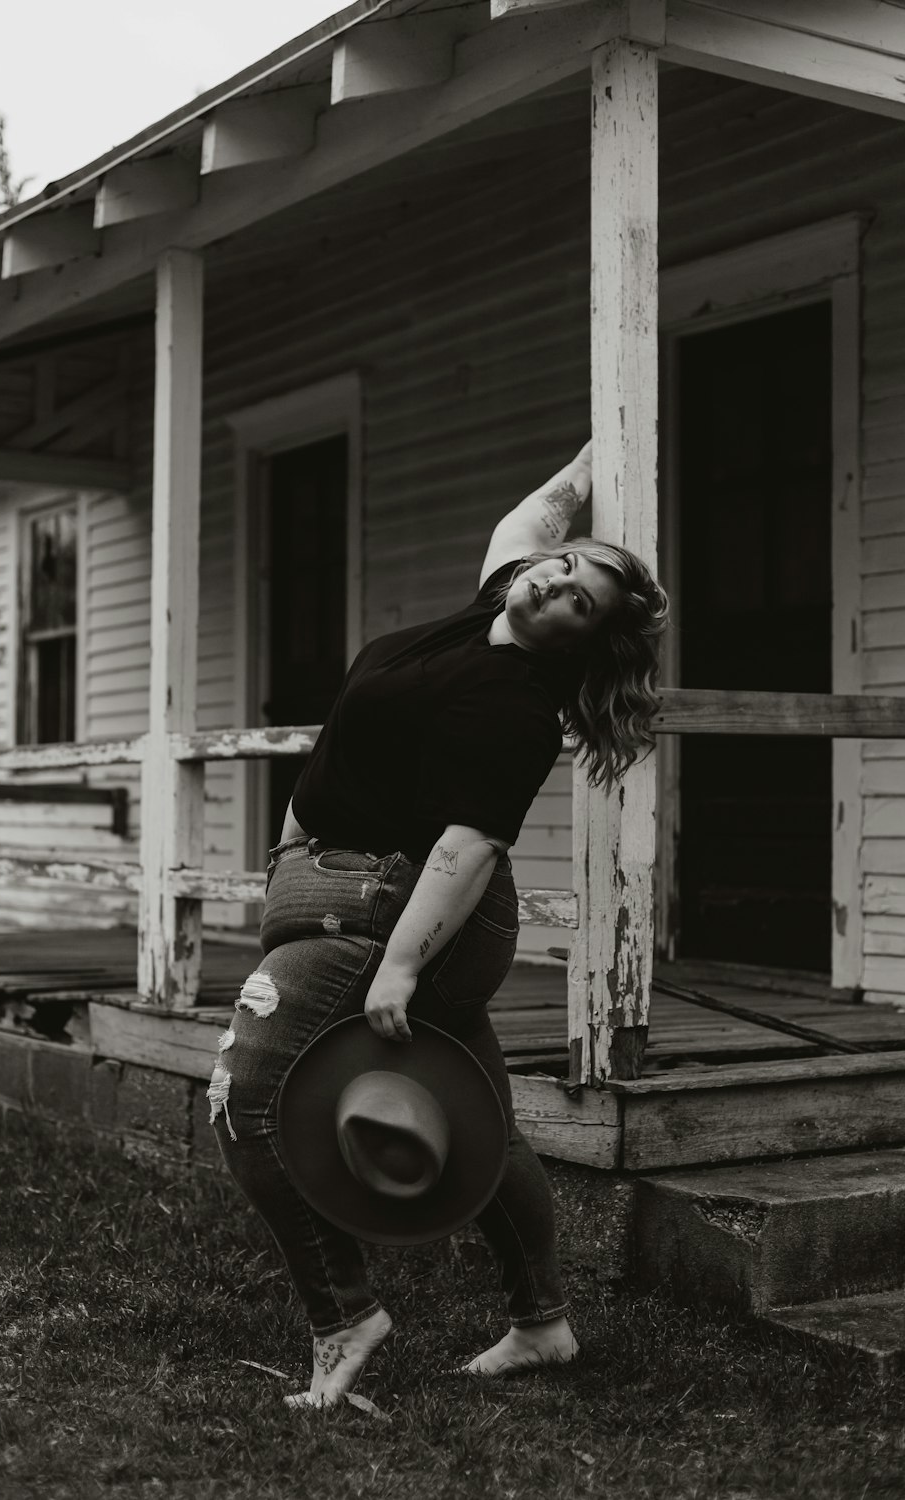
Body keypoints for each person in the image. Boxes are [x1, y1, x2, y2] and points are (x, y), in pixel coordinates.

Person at [208, 437, 669, 1407]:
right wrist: (599, 454)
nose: (552, 586)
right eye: (560, 569)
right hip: (335, 885)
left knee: (245, 1096)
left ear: (581, 641)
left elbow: (466, 851)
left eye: (578, 600)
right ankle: (543, 1325)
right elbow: (532, 521)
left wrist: (401, 972)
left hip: (405, 911)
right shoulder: (488, 607)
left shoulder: (514, 705)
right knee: (484, 1127)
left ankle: (344, 1316)